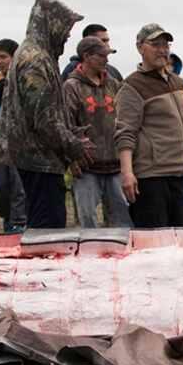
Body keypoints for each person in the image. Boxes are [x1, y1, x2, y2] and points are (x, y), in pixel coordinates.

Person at [0, 0, 94, 229]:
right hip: (38, 160)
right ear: (51, 24)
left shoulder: (37, 54)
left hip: (39, 158)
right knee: (48, 231)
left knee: (46, 225)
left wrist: (71, 132)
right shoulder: (35, 60)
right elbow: (44, 120)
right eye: (66, 27)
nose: (68, 34)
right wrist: (74, 145)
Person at [115, 24, 183, 228]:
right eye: (155, 44)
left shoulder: (178, 83)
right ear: (140, 47)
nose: (162, 49)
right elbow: (125, 134)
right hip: (151, 179)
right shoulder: (132, 86)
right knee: (155, 243)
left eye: (166, 44)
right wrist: (127, 173)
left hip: (178, 175)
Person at [62, 36, 131, 228]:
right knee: (88, 223)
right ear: (86, 56)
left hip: (115, 166)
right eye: (101, 56)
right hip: (86, 168)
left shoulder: (114, 84)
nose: (106, 60)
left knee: (123, 222)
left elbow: (126, 119)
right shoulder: (71, 87)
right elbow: (66, 126)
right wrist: (71, 159)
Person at [0, 38, 26, 230]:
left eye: (4, 57)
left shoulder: (24, 77)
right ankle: (6, 216)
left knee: (18, 182)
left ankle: (17, 223)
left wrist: (8, 79)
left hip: (18, 137)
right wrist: (7, 80)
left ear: (14, 58)